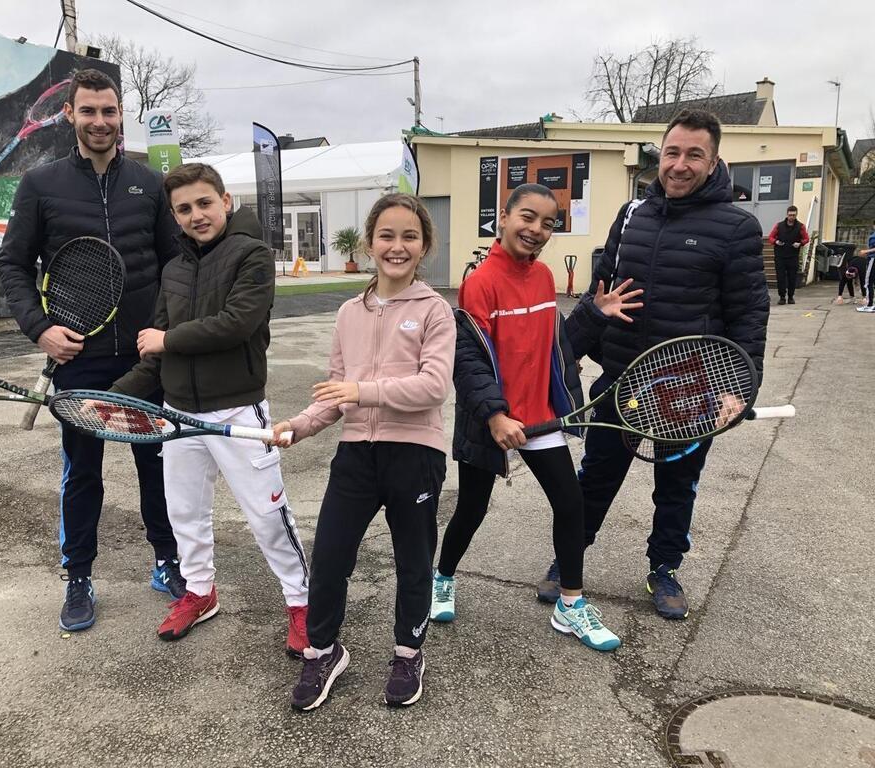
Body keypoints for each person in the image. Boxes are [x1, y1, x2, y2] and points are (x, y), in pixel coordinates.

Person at [542, 109, 769, 620]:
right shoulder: (631, 216)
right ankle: (568, 560)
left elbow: (750, 313)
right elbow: (600, 295)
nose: (680, 165)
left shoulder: (736, 227)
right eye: (673, 152)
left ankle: (664, 570)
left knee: (677, 487)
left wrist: (738, 388)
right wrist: (565, 352)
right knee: (595, 477)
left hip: (691, 387)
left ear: (714, 163)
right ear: (659, 156)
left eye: (694, 155)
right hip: (623, 378)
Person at [0, 69, 184, 632]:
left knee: (157, 466)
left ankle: (168, 562)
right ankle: (78, 575)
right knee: (83, 473)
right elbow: (12, 264)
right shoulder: (41, 184)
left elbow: (176, 263)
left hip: (147, 356)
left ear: (121, 114)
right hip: (79, 357)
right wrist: (40, 330)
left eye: (109, 111)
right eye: (89, 112)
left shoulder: (150, 184)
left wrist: (169, 331)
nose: (99, 122)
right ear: (70, 116)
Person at [429, 183, 641, 653]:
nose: (537, 230)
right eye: (528, 217)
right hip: (492, 421)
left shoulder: (545, 278)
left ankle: (571, 605)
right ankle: (441, 578)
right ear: (502, 218)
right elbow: (469, 360)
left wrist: (594, 314)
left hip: (541, 420)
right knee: (472, 507)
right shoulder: (480, 283)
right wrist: (495, 415)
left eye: (548, 223)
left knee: (570, 505)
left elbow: (556, 342)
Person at [109, 162, 310, 655]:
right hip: (178, 418)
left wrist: (167, 338)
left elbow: (236, 324)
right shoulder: (174, 269)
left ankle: (304, 604)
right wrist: (115, 396)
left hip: (238, 413)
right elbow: (156, 355)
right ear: (174, 215)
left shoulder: (254, 255)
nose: (196, 215)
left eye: (204, 203)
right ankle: (200, 592)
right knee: (185, 514)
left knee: (268, 518)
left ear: (224, 200)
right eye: (184, 208)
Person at [272, 193, 455, 711]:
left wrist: (363, 391)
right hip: (356, 455)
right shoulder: (350, 311)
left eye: (409, 237)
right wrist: (299, 426)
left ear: (424, 247)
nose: (397, 246)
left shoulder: (436, 311)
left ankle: (408, 652)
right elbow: (335, 390)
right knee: (329, 558)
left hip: (415, 455)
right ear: (371, 242)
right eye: (387, 236)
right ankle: (324, 650)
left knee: (414, 563)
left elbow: (433, 387)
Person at [768, 205, 809, 305]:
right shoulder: (779, 225)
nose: (791, 217)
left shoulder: (801, 226)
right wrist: (776, 242)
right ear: (787, 214)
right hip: (780, 256)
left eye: (794, 215)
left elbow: (806, 238)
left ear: (796, 215)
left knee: (792, 277)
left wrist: (800, 243)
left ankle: (791, 297)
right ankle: (782, 297)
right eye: (790, 215)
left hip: (793, 256)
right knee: (780, 277)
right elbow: (770, 237)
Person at [856, 222, 875, 313]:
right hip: (871, 259)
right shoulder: (873, 235)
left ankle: (869, 305)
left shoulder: (874, 236)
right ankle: (871, 304)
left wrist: (865, 251)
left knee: (868, 283)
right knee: (870, 282)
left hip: (873, 260)